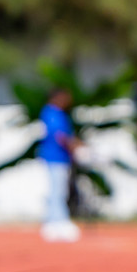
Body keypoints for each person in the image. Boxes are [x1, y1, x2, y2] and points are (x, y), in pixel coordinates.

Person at [39, 89, 83, 242]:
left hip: (61, 158)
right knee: (56, 191)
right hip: (54, 158)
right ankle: (56, 222)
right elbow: (60, 136)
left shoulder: (59, 114)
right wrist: (75, 146)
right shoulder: (51, 113)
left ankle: (56, 221)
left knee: (59, 190)